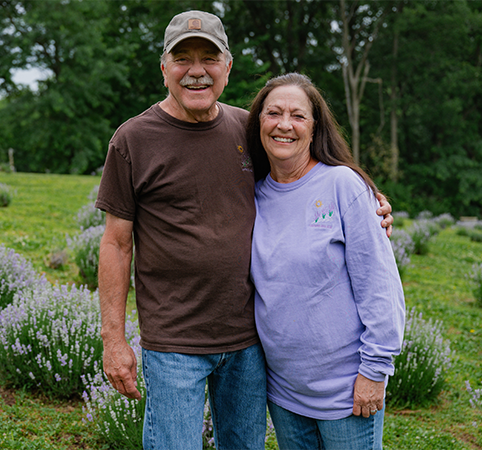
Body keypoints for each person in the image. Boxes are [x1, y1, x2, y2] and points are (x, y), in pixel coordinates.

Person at [96, 11, 393, 449]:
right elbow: (116, 244)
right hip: (174, 340)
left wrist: (370, 204)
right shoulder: (133, 139)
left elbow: (303, 170)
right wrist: (114, 339)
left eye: (208, 59)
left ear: (227, 67)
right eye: (182, 59)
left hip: (248, 341)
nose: (196, 71)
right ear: (164, 69)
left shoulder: (248, 129)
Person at [246, 72, 406, 450]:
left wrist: (375, 372)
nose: (285, 125)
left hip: (347, 392)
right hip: (285, 393)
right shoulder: (252, 196)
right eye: (274, 113)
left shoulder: (343, 185)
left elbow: (380, 287)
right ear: (258, 123)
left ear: (315, 127)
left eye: (298, 116)